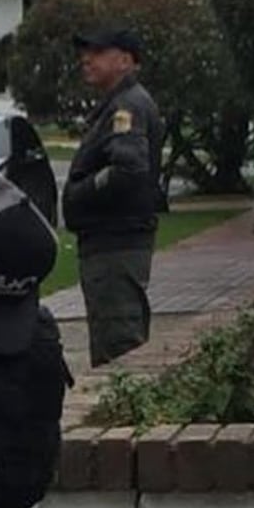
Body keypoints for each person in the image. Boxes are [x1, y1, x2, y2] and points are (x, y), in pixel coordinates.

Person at [63, 27, 164, 366]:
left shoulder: (127, 106)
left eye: (97, 52)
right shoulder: (117, 104)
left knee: (119, 350)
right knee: (113, 338)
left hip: (116, 243)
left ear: (125, 60)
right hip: (109, 242)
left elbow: (128, 170)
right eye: (85, 53)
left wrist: (80, 192)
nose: (86, 59)